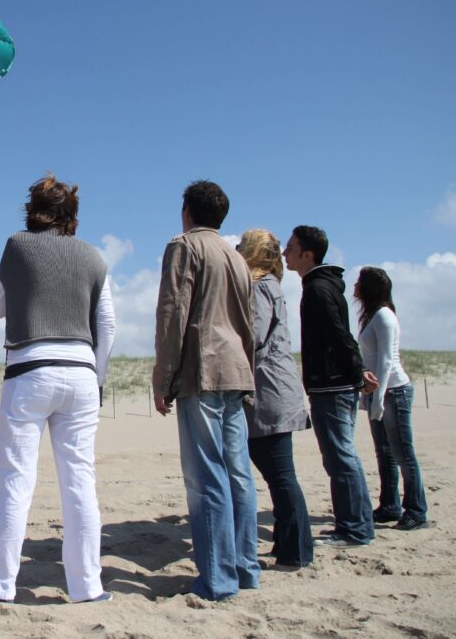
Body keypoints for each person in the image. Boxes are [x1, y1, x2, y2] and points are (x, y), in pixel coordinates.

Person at [0, 173, 115, 605]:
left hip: (29, 369)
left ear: (32, 209)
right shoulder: (92, 255)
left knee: (16, 482)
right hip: (81, 373)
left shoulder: (17, 245)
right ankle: (87, 587)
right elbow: (107, 325)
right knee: (80, 482)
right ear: (71, 214)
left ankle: (0, 590)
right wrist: (97, 378)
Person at [152, 180, 260, 601]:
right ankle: (245, 569)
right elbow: (248, 323)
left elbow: (172, 314)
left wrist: (163, 379)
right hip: (236, 370)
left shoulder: (184, 246)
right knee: (238, 474)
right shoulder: (236, 257)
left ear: (187, 211)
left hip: (203, 370)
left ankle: (217, 579)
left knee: (206, 477)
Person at [282, 225, 377, 548]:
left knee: (340, 457)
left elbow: (338, 335)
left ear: (308, 254)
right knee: (343, 456)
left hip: (332, 386)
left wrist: (357, 372)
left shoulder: (318, 289)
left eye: (291, 248)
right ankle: (358, 524)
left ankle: (354, 529)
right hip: (335, 384)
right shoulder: (321, 285)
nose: (285, 253)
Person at [236, 229, 314, 568]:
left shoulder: (259, 287)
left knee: (280, 475)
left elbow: (252, 337)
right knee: (279, 474)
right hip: (275, 390)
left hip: (269, 392)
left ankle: (296, 550)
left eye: (242, 246)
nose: (237, 250)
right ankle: (288, 545)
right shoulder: (270, 285)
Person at [354, 266, 429, 531]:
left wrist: (379, 398)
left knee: (403, 453)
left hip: (394, 390)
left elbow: (386, 360)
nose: (355, 286)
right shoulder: (372, 315)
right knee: (384, 452)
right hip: (379, 391)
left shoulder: (384, 316)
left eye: (360, 282)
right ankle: (389, 505)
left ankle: (417, 510)